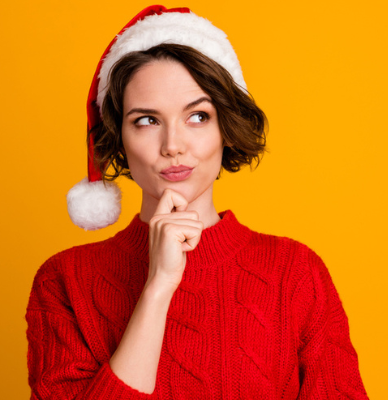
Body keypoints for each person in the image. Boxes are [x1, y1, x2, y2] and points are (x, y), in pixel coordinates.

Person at [25, 5, 369, 399]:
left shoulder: (296, 274)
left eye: (198, 116)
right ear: (118, 136)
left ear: (226, 126)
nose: (173, 146)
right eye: (146, 120)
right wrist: (159, 286)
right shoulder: (64, 281)